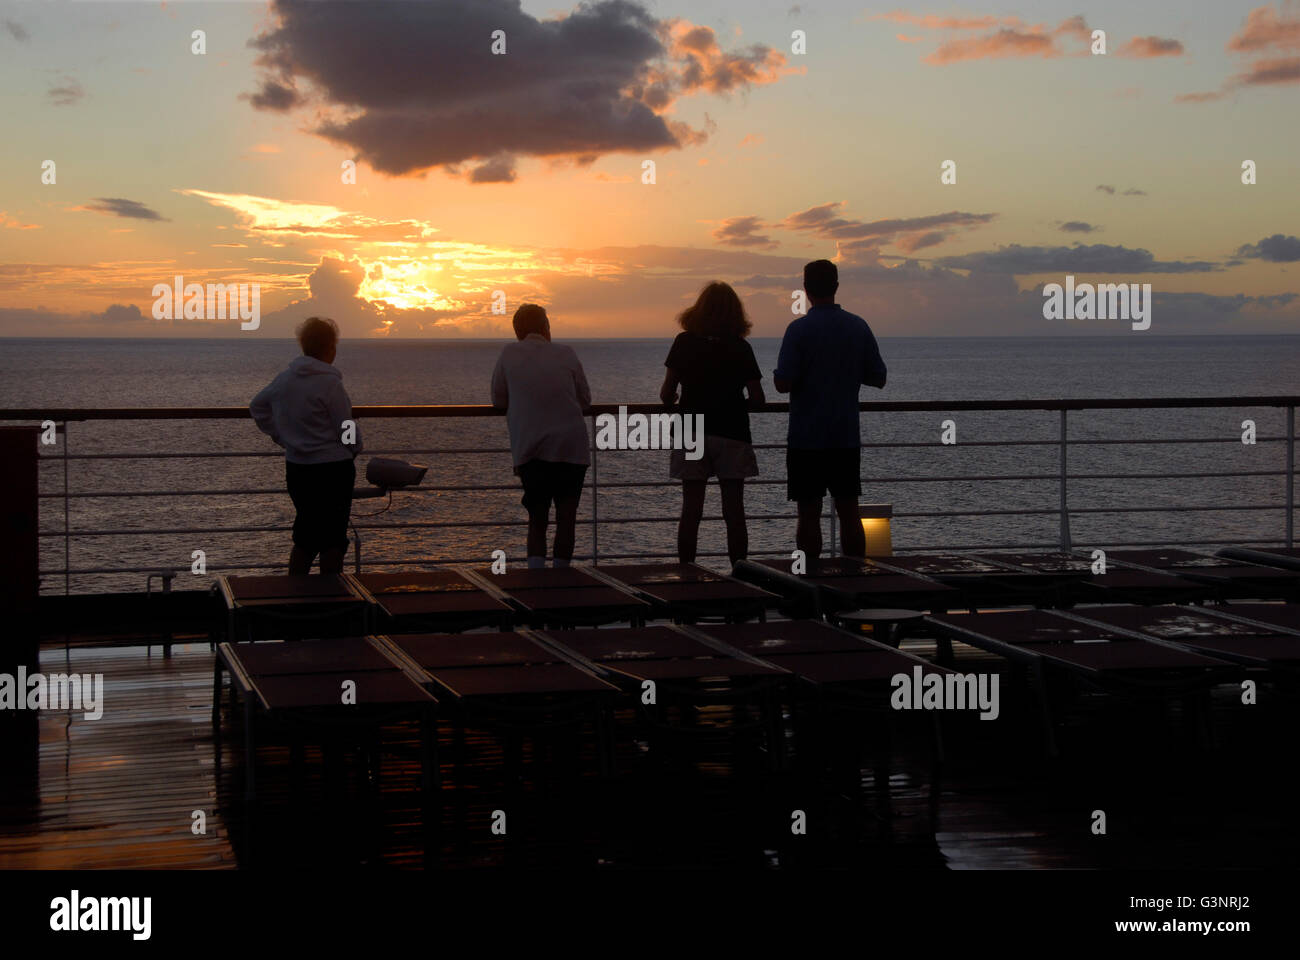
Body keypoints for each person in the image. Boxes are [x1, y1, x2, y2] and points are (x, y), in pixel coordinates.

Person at [774, 260, 887, 558]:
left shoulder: (798, 330)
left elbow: (783, 382)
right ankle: (854, 580)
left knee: (808, 514)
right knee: (849, 512)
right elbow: (879, 377)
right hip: (844, 436)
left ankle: (811, 581)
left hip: (805, 438)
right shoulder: (858, 326)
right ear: (836, 287)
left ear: (806, 289)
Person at [660, 282, 765, 565]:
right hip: (731, 431)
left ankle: (687, 574)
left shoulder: (683, 342)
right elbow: (757, 398)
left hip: (690, 431)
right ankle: (742, 575)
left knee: (691, 511)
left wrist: (679, 400)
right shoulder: (741, 347)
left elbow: (666, 394)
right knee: (734, 513)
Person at [250, 316, 361, 575]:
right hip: (333, 469)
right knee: (333, 539)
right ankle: (328, 598)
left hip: (298, 468)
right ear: (330, 348)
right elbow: (346, 428)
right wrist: (354, 449)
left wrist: (282, 436)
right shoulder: (330, 384)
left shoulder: (286, 379)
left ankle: (295, 596)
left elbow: (257, 406)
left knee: (305, 536)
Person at [491, 303, 592, 569]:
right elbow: (585, 400)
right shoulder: (566, 353)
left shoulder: (509, 354)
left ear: (517, 331)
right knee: (566, 517)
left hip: (532, 448)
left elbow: (498, 399)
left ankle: (536, 581)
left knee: (537, 518)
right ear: (546, 328)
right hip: (571, 446)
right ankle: (561, 578)